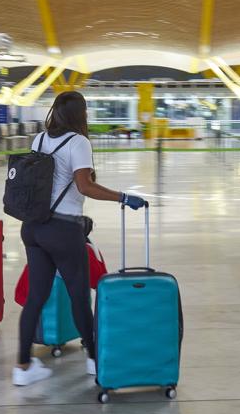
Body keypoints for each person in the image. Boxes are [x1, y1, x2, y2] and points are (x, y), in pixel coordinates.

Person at [13, 91, 147, 386]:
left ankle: (22, 367)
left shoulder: (39, 139)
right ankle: (95, 361)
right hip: (62, 230)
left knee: (36, 296)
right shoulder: (79, 142)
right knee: (78, 296)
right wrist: (123, 197)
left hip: (33, 228)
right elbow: (85, 186)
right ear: (80, 114)